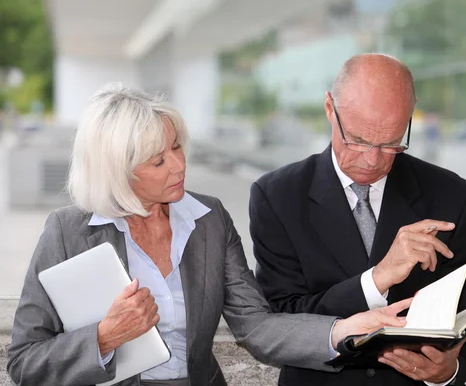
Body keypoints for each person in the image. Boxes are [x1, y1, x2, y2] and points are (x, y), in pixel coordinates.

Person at [6, 84, 413, 386]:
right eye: (158, 161)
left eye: (178, 148)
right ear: (118, 170)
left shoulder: (209, 218)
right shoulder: (67, 232)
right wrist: (104, 338)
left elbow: (255, 325)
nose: (178, 166)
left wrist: (343, 329)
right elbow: (24, 362)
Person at [250, 54, 466, 386]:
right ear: (330, 109)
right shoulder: (276, 196)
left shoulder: (454, 198)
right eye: (358, 140)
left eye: (391, 143)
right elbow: (283, 319)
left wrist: (447, 372)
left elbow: (459, 326)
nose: (373, 160)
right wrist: (376, 280)